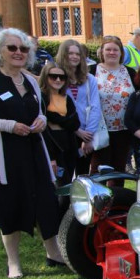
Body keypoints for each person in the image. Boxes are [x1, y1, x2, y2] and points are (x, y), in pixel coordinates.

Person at [0, 28, 65, 278]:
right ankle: (14, 263)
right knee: (9, 206)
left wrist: (42, 120)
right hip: (5, 154)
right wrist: (9, 126)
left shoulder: (31, 80)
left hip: (33, 149)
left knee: (45, 201)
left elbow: (41, 110)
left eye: (23, 49)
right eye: (12, 48)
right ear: (0, 51)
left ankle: (53, 253)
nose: (18, 53)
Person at [92, 36, 135, 180]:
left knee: (119, 171)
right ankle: (97, 200)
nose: (112, 52)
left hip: (123, 130)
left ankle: (117, 201)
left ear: (121, 53)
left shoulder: (130, 72)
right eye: (108, 49)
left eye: (115, 49)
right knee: (98, 170)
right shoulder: (92, 71)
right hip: (99, 130)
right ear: (102, 52)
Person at [55, 39, 100, 177]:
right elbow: (55, 109)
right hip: (64, 134)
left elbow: (95, 106)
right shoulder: (56, 77)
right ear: (63, 55)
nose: (74, 57)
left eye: (77, 54)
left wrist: (88, 135)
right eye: (70, 53)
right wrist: (77, 130)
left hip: (86, 135)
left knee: (83, 175)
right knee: (64, 177)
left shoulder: (89, 79)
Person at [38, 62, 80, 191]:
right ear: (45, 76)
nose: (58, 80)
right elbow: (43, 124)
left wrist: (53, 118)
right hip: (52, 145)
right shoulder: (41, 97)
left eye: (62, 77)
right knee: (59, 187)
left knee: (68, 186)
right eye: (53, 76)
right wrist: (62, 120)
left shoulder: (66, 98)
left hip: (69, 144)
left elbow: (75, 123)